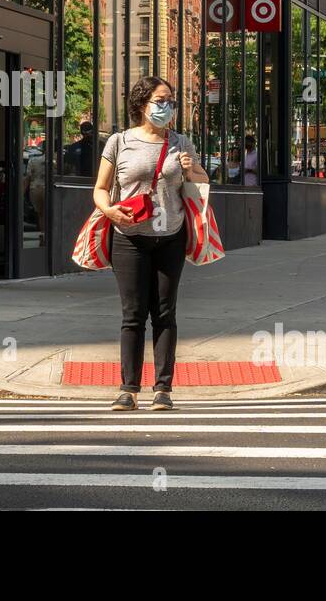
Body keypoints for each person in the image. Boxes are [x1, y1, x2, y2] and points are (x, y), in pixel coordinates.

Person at [94, 76, 209, 412]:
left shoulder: (181, 143)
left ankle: (163, 389)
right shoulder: (119, 142)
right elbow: (100, 188)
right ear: (142, 105)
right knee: (132, 315)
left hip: (170, 237)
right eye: (160, 100)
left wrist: (191, 171)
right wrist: (110, 211)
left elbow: (202, 181)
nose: (167, 106)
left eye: (170, 100)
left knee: (164, 313)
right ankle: (128, 389)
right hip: (129, 239)